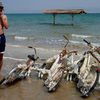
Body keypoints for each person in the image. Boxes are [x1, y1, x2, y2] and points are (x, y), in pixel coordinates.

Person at [0, 2, 8, 71]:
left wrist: (2, 18)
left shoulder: (4, 16)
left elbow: (6, 27)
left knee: (1, 57)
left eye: (1, 8)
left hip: (1, 37)